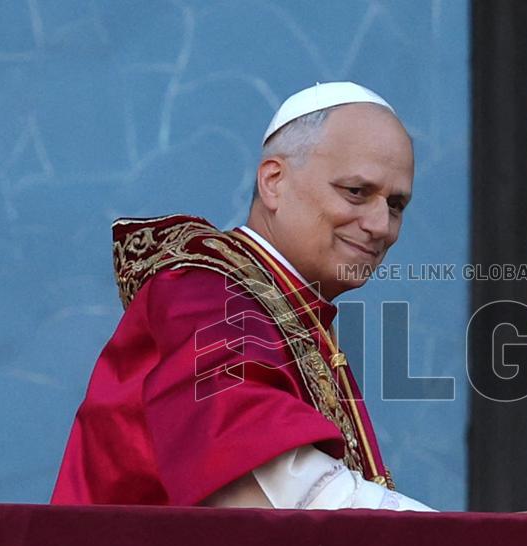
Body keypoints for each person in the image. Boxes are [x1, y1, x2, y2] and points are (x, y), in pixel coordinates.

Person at [51, 82, 434, 511]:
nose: (381, 225)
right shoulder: (204, 294)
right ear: (273, 181)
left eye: (396, 204)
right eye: (356, 192)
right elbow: (280, 489)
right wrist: (472, 543)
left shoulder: (286, 309)